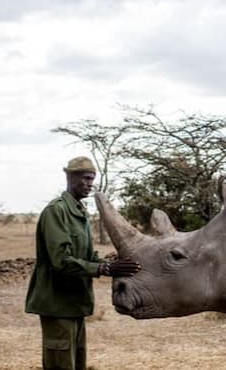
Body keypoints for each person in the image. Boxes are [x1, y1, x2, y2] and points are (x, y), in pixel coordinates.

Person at [25, 156, 140, 370]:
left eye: (92, 179)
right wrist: (104, 268)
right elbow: (61, 261)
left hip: (75, 303)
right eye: (86, 178)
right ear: (70, 177)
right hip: (57, 303)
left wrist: (113, 264)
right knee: (60, 364)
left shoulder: (79, 211)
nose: (90, 184)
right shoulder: (56, 211)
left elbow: (87, 256)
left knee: (77, 363)